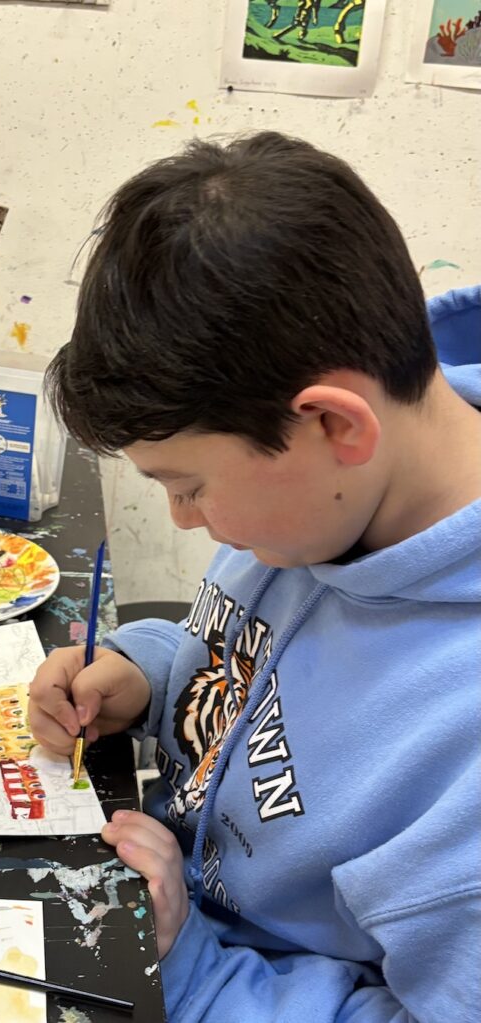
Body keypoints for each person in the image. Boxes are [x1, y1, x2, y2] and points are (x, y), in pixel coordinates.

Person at [28, 132, 481, 1022]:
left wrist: (191, 964)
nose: (182, 519)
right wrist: (149, 675)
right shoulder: (332, 502)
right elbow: (260, 667)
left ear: (334, 424)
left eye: (190, 487)